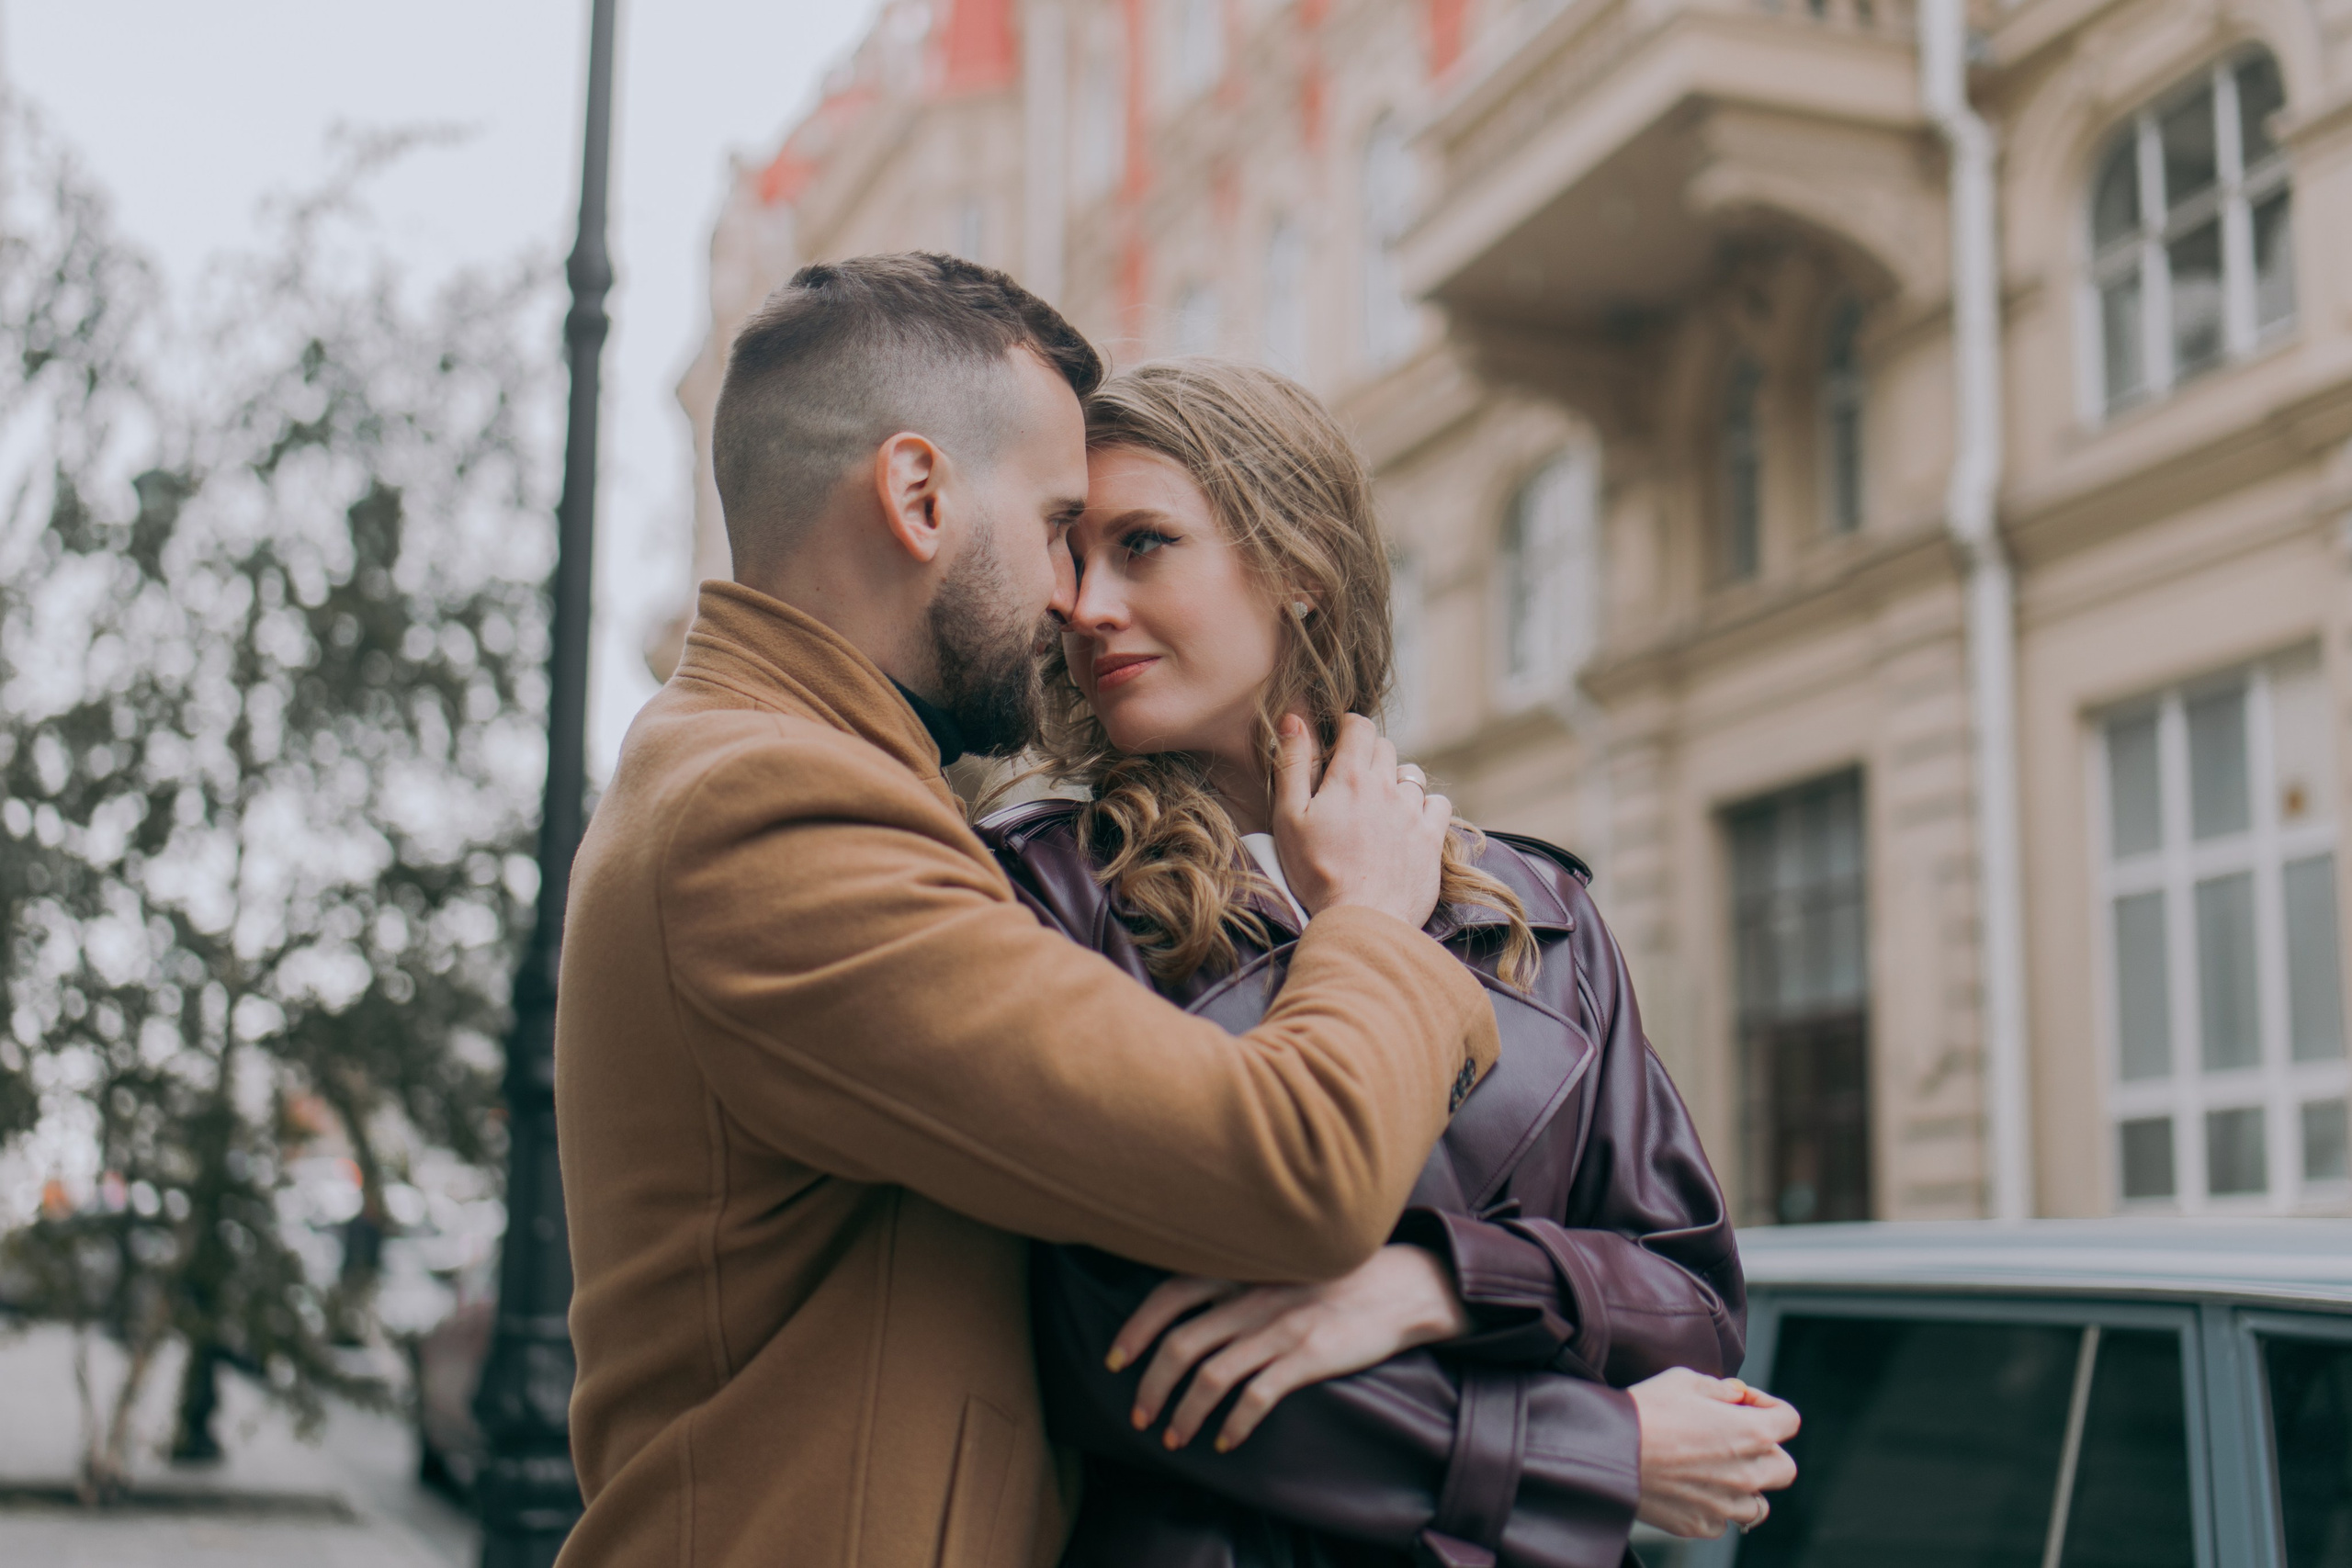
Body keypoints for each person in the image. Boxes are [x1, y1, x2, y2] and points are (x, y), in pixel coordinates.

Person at [552, 254, 1505, 1568]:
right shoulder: (775, 814)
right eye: (1061, 525)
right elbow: (1290, 1167)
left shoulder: (784, 772)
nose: (1073, 599)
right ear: (919, 496)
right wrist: (1377, 924)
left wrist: (1454, 1298)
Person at [978, 358, 1800, 1567]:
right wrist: (1602, 1448)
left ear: (1299, 569)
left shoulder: (1539, 911)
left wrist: (1430, 1283)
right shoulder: (1042, 894)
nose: (1087, 605)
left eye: (1144, 545)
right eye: (1074, 556)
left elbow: (1694, 1313)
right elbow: (1132, 1360)